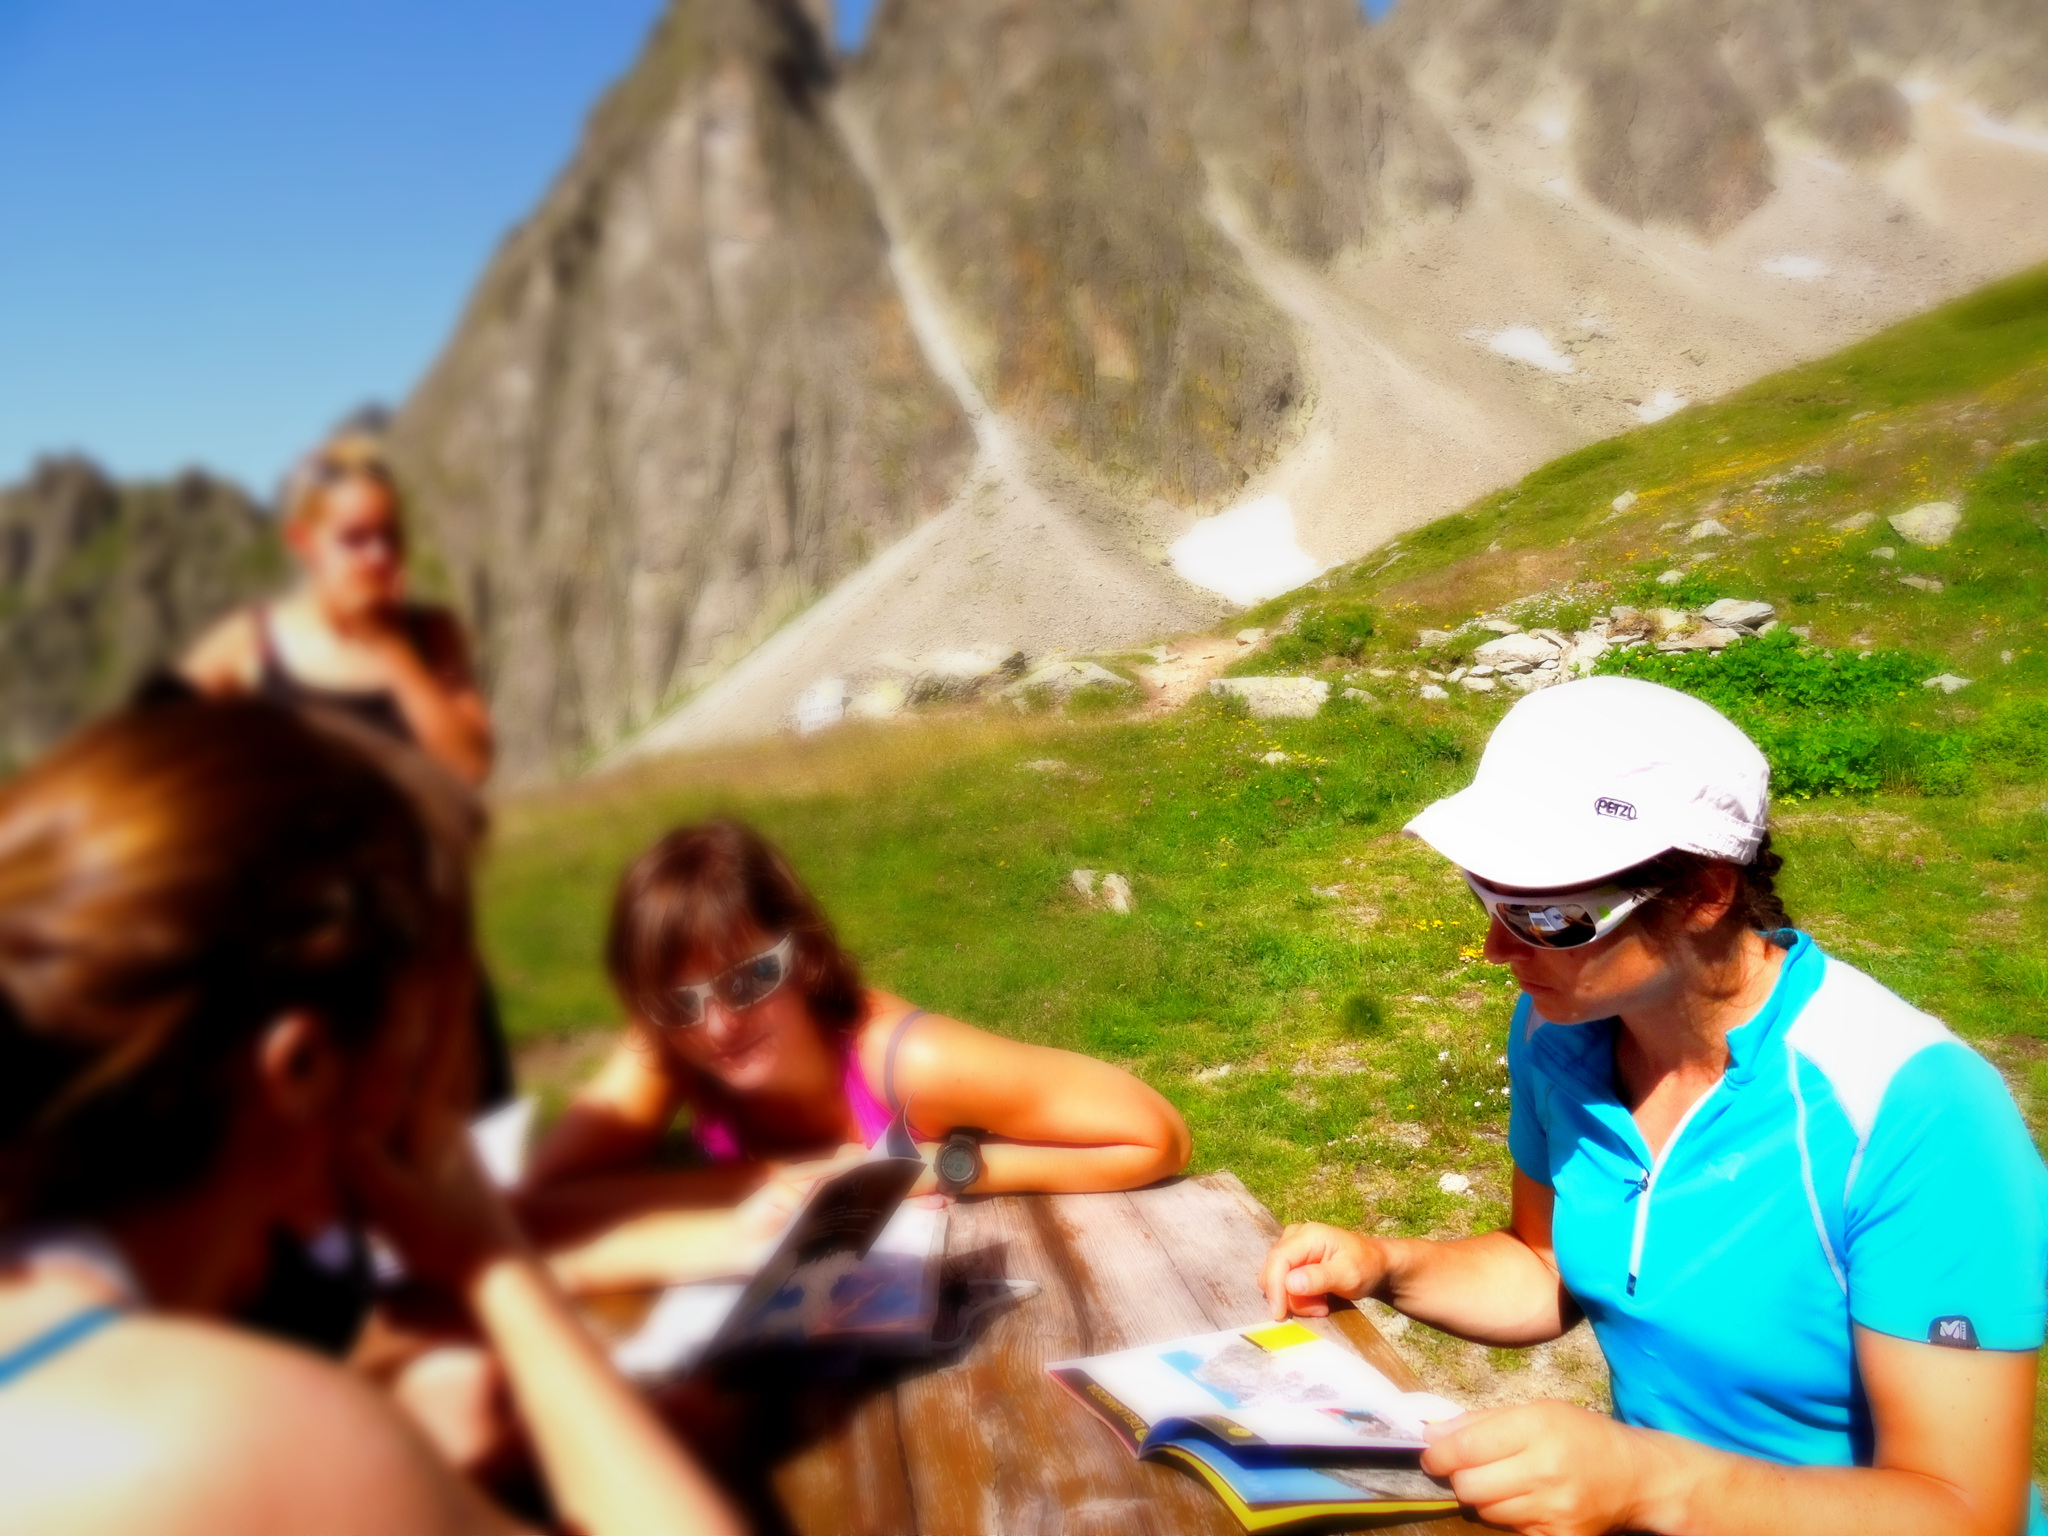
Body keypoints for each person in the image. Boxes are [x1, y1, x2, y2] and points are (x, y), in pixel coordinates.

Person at [1259, 676, 2047, 1536]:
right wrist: (1386, 1265)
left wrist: (1651, 1484)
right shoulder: (1560, 1030)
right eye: (1484, 898)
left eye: (1547, 915)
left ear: (1705, 893)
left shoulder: (1915, 1111)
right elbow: (1546, 1267)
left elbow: (1968, 1512)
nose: (1495, 949)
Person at [0, 699, 740, 1536]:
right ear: (302, 1070)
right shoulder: (248, 1441)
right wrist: (495, 1265)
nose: (447, 1100)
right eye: (425, 1043)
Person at [521, 818, 1191, 1280]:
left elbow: (1155, 1136)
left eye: (749, 980)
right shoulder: (672, 1038)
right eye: (677, 1002)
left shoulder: (904, 1062)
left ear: (804, 953)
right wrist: (790, 1180)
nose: (718, 1026)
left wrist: (938, 1167)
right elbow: (532, 1210)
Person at [182, 433, 492, 787]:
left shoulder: (432, 633)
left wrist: (390, 644)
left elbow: (470, 766)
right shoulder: (254, 639)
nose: (379, 555)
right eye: (354, 538)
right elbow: (152, 741)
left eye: (389, 535)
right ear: (303, 542)